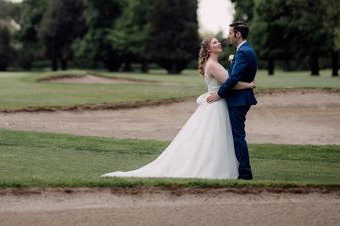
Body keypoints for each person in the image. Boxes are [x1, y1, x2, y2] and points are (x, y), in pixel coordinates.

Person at [102, 36, 255, 179]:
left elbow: (229, 82)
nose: (219, 43)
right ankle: (212, 168)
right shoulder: (213, 66)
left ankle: (221, 166)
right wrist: (249, 84)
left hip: (217, 102)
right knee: (212, 138)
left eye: (217, 41)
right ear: (208, 49)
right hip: (215, 104)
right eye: (215, 43)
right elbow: (231, 85)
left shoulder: (214, 64)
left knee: (215, 138)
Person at [206, 21, 258, 180]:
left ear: (238, 34)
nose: (228, 36)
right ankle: (238, 169)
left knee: (238, 137)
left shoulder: (243, 52)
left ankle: (245, 174)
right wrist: (249, 85)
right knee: (236, 136)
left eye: (230, 33)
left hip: (239, 100)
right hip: (239, 98)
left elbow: (234, 77)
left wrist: (219, 94)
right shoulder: (242, 50)